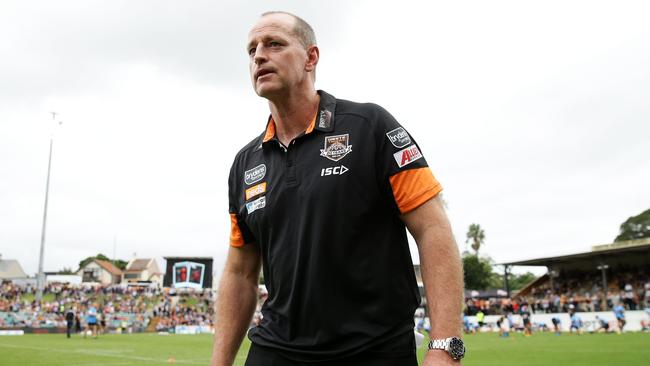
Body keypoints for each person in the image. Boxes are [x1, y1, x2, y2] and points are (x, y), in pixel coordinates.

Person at [211, 11, 464, 366]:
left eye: (274, 44)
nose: (259, 56)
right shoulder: (245, 163)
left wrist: (446, 343)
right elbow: (240, 272)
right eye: (251, 49)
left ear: (311, 57)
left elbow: (432, 228)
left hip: (372, 350)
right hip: (277, 349)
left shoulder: (370, 126)